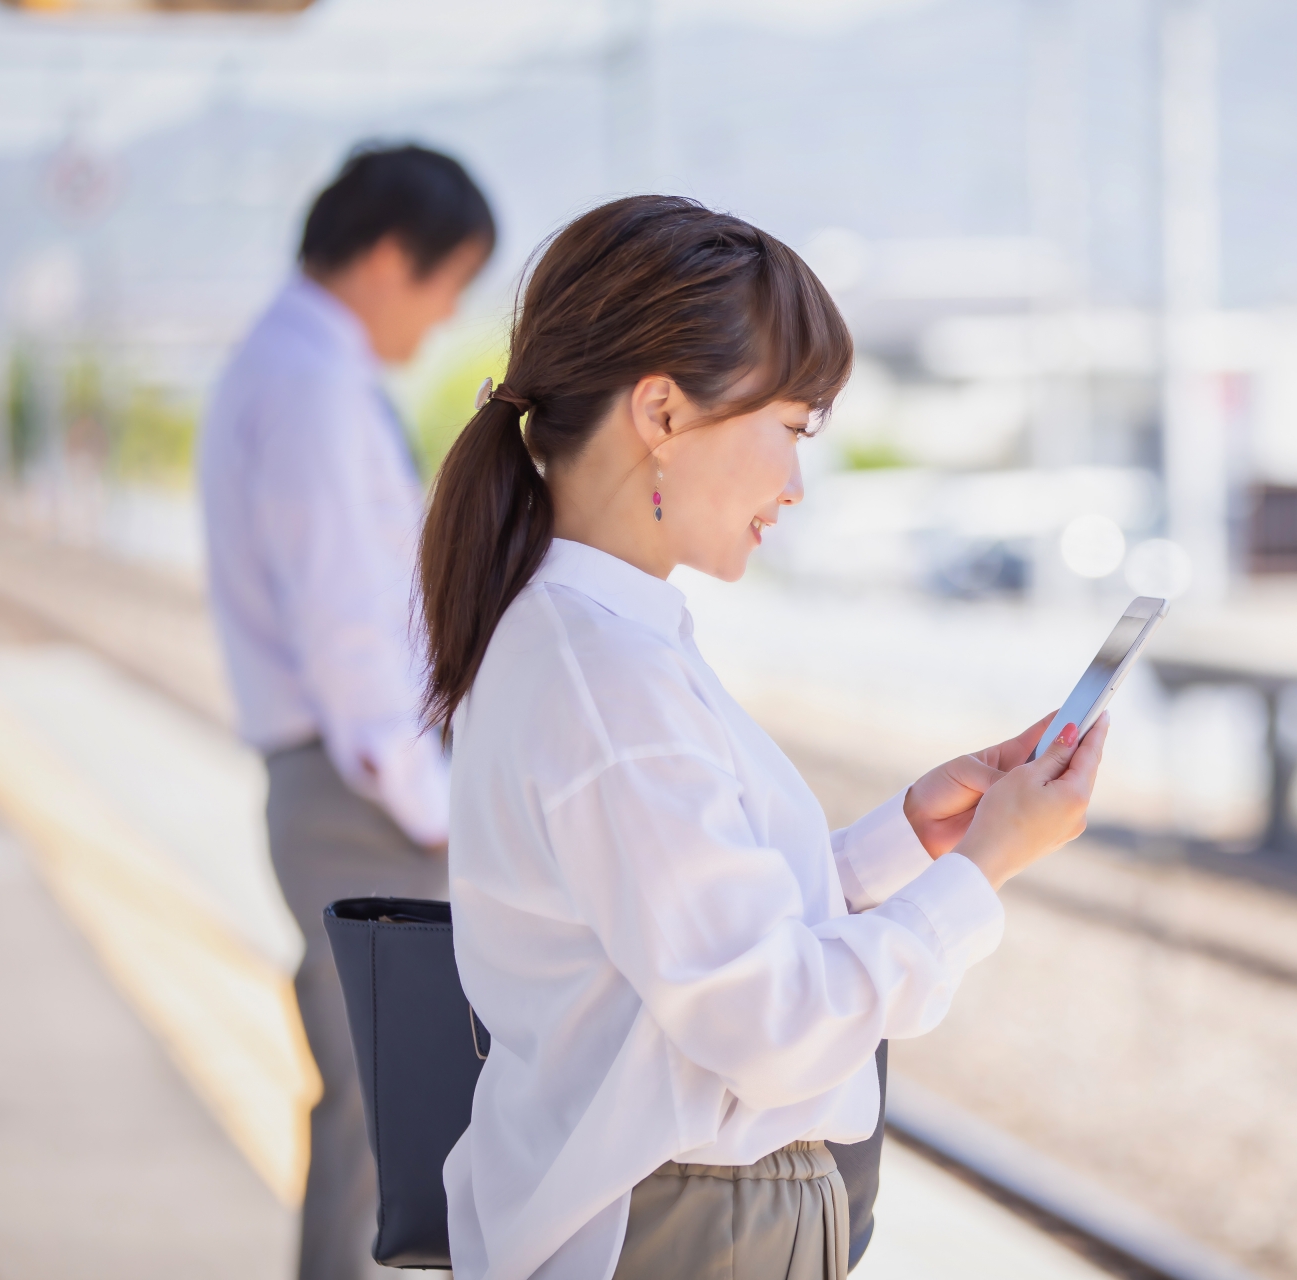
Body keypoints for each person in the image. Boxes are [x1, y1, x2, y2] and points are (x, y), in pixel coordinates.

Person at [417, 195, 1108, 1280]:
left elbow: (683, 929)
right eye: (790, 428)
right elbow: (771, 1018)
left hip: (679, 1219)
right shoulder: (604, 675)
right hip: (682, 1233)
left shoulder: (592, 639)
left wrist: (902, 843)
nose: (793, 484)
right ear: (660, 410)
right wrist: (986, 866)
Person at [197, 144, 495, 1280]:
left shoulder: (281, 365)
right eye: (448, 281)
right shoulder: (315, 387)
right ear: (385, 258)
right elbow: (350, 633)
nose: (446, 312)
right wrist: (433, 808)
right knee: (392, 1116)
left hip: (335, 784)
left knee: (380, 1112)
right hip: (358, 794)